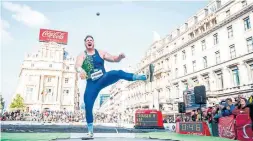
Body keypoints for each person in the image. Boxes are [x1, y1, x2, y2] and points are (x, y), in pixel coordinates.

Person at [75, 35, 147, 137]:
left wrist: (120, 57)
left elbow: (114, 59)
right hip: (91, 83)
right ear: (85, 43)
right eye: (87, 40)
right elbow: (77, 65)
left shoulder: (100, 52)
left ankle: (137, 77)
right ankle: (90, 131)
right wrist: (80, 70)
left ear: (93, 42)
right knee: (88, 105)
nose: (89, 41)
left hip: (103, 78)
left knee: (117, 73)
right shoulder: (82, 55)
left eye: (91, 40)